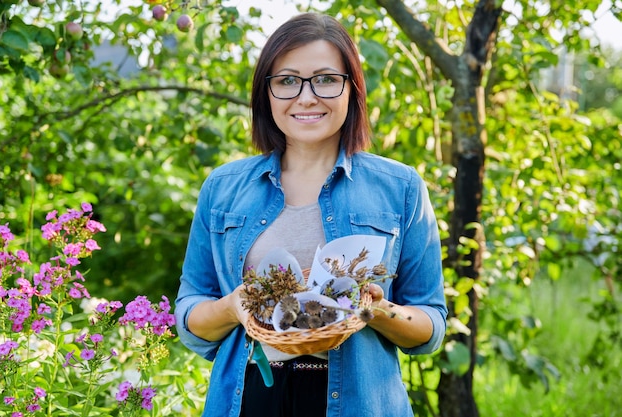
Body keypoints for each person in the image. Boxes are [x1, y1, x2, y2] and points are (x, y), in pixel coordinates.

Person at [174, 12, 447, 417]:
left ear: (351, 89)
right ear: (265, 93)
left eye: (325, 79)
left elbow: (430, 326)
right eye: (287, 81)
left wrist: (375, 309)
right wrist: (234, 307)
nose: (306, 97)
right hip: (250, 397)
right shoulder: (223, 187)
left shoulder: (400, 187)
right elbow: (189, 314)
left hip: (358, 402)